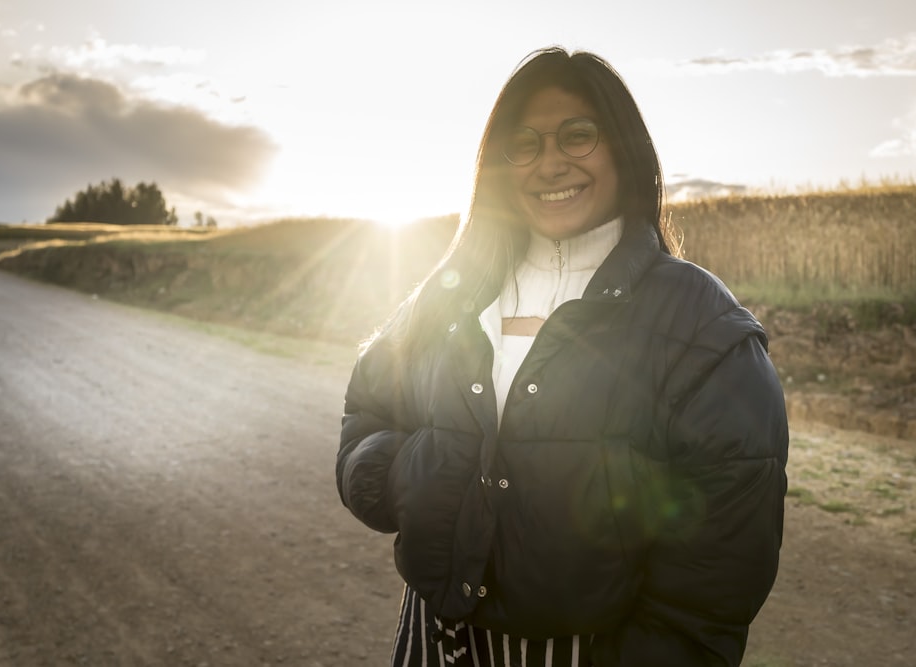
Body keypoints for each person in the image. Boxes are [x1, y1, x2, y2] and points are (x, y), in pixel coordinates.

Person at [337, 46, 789, 666]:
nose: (549, 163)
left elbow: (718, 572)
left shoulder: (701, 322)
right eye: (522, 144)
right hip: (430, 641)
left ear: (624, 148)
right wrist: (405, 479)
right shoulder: (449, 293)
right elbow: (366, 413)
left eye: (578, 136)